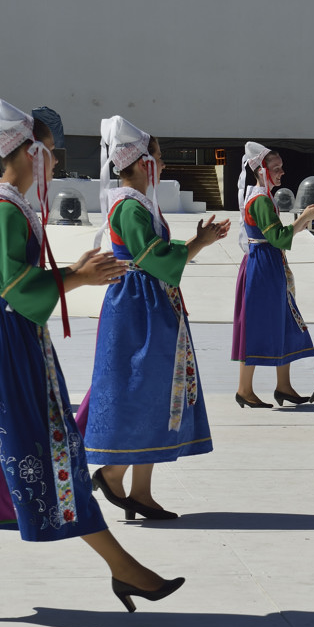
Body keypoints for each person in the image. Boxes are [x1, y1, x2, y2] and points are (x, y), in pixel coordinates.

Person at [0, 99, 182, 620]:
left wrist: (75, 271)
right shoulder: (6, 208)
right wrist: (78, 277)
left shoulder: (5, 203)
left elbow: (12, 283)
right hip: (5, 341)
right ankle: (123, 568)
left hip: (2, 337)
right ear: (31, 152)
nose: (56, 164)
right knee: (52, 449)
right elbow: (14, 287)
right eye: (52, 154)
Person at [80, 116, 227, 520]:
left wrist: (196, 242)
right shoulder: (129, 205)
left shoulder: (138, 204)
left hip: (148, 304)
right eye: (158, 158)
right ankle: (115, 474)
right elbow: (153, 260)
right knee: (143, 389)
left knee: (154, 392)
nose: (161, 165)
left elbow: (152, 255)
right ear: (144, 162)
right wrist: (198, 243)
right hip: (138, 309)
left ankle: (139, 490)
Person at [231, 142, 314, 408]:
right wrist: (302, 217)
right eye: (276, 168)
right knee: (258, 324)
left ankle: (283, 386)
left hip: (268, 264)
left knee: (284, 321)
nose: (282, 172)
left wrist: (299, 224)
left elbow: (276, 237)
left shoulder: (262, 197)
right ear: (261, 170)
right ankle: (244, 389)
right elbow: (278, 237)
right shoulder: (259, 200)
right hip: (263, 268)